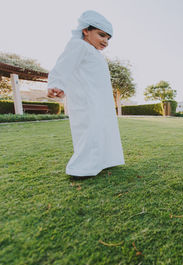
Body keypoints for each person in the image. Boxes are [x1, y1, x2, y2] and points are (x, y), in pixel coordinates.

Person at [47, 10, 125, 179]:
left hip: (100, 101)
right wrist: (56, 84)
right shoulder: (78, 45)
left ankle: (105, 161)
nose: (105, 41)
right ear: (85, 30)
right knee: (89, 132)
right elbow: (63, 66)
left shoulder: (94, 52)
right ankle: (81, 169)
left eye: (108, 38)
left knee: (104, 130)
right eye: (101, 35)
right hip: (86, 102)